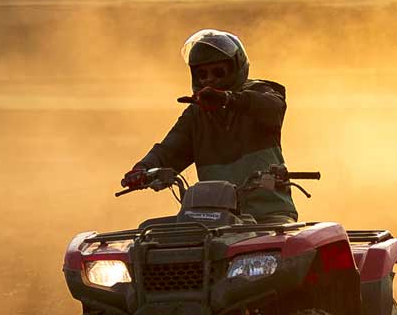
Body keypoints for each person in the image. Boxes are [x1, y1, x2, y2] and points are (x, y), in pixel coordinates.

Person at [120, 29, 296, 223]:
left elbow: (273, 107)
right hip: (216, 217)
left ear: (236, 69)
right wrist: (142, 169)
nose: (209, 79)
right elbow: (169, 151)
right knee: (154, 235)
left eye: (218, 72)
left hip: (268, 214)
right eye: (202, 74)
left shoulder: (260, 94)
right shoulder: (196, 114)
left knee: (274, 249)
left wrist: (227, 99)